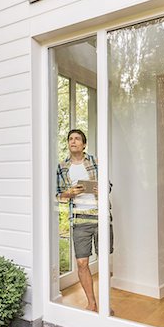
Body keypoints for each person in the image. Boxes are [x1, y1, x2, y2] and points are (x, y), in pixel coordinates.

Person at [56, 129, 113, 312]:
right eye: (70, 139)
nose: (73, 141)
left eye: (77, 139)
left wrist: (99, 189)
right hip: (79, 220)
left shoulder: (95, 161)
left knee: (104, 261)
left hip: (100, 217)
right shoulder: (62, 167)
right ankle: (92, 303)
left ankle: (106, 304)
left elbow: (108, 185)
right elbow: (58, 195)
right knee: (82, 263)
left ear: (84, 144)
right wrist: (69, 193)